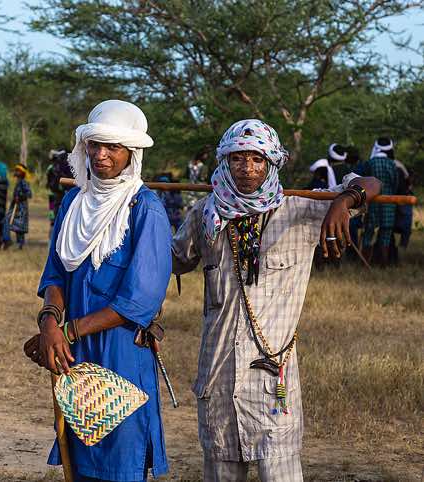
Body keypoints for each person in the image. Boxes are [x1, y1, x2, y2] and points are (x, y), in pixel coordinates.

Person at [171, 119, 380, 482]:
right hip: (218, 375)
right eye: (238, 159)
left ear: (271, 163)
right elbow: (171, 260)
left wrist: (344, 201)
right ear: (225, 162)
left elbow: (373, 184)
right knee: (220, 472)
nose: (247, 169)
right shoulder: (205, 214)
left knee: (280, 472)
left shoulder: (300, 211)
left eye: (257, 159)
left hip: (272, 383)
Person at [26, 100, 171, 481]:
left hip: (120, 354)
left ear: (131, 154)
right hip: (72, 355)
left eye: (113, 147)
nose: (101, 155)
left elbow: (138, 301)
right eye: (94, 145)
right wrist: (49, 323)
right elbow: (55, 274)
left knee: (121, 462)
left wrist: (65, 331)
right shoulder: (74, 201)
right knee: (81, 460)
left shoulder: (146, 210)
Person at [357, 137, 399, 266]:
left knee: (369, 233)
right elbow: (395, 183)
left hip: (372, 202)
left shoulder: (370, 163)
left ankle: (364, 263)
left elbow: (363, 180)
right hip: (389, 203)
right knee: (385, 234)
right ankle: (383, 263)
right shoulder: (392, 164)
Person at [4, 163, 33, 249]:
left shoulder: (24, 182)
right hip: (15, 207)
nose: (16, 172)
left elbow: (29, 194)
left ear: (22, 172)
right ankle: (8, 241)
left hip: (21, 208)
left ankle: (16, 243)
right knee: (10, 222)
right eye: (16, 170)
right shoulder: (18, 182)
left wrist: (20, 197)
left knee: (18, 226)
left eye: (18, 171)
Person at [45, 148, 74, 230]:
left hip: (56, 192)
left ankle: (54, 223)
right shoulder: (59, 167)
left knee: (54, 209)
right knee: (56, 209)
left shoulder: (52, 167)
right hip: (58, 192)